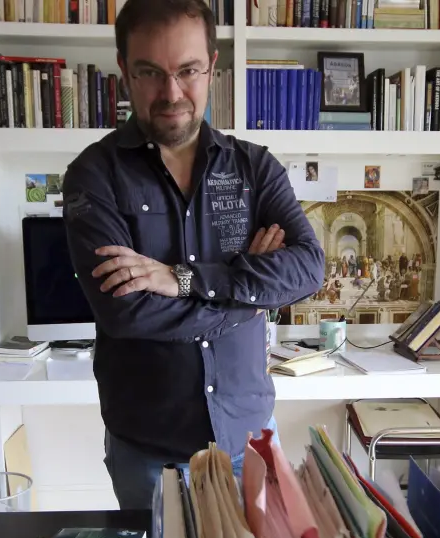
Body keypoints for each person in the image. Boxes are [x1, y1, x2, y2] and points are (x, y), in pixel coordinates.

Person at [61, 0, 325, 510]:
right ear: (125, 71)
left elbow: (308, 268)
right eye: (150, 73)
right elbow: (127, 312)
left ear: (212, 67)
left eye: (188, 70)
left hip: (249, 440)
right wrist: (251, 298)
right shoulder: (93, 176)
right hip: (148, 457)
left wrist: (180, 279)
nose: (172, 93)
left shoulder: (255, 168)